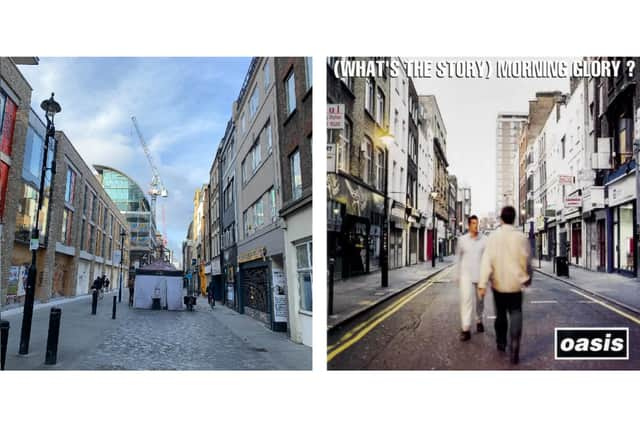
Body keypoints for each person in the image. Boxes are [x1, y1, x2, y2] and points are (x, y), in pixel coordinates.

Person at [478, 206, 532, 365]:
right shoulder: (521, 237)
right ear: (514, 218)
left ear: (501, 219)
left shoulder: (493, 237)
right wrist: (527, 277)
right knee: (516, 313)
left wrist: (482, 283)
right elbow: (527, 260)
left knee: (500, 315)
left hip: (499, 284)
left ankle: (501, 342)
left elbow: (486, 261)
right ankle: (515, 343)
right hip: (516, 284)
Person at [455, 215, 487, 341]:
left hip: (480, 275)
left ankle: (479, 320)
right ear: (469, 225)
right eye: (473, 223)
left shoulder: (484, 239)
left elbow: (488, 258)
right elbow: (458, 258)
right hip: (466, 275)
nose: (476, 225)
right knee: (466, 301)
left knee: (480, 301)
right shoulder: (462, 240)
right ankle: (466, 329)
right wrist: (457, 274)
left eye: (477, 223)